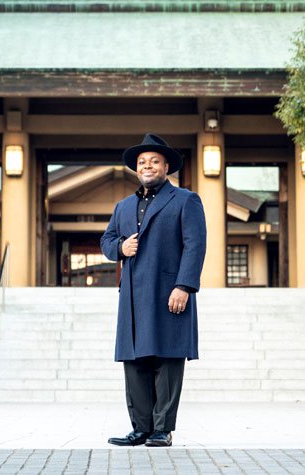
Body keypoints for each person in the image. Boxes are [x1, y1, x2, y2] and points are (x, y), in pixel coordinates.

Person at [101, 133, 207, 447]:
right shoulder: (123, 206)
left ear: (166, 167)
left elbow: (195, 246)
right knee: (135, 363)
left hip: (168, 292)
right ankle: (141, 428)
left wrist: (184, 286)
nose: (148, 166)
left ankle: (163, 429)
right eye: (142, 162)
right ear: (136, 169)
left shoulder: (186, 200)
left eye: (154, 161)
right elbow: (106, 242)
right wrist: (121, 247)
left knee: (168, 360)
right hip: (133, 295)